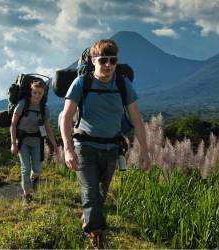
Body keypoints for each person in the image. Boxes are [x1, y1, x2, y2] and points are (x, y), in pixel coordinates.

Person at [60, 39, 151, 248]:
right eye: (103, 60)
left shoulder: (122, 84)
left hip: (111, 148)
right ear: (94, 61)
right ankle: (97, 236)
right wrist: (68, 149)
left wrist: (145, 151)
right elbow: (66, 117)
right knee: (91, 192)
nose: (108, 65)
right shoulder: (82, 83)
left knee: (100, 194)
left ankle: (89, 220)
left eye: (113, 60)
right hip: (85, 147)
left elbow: (136, 118)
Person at [10, 80, 58, 203]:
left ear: (43, 94)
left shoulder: (43, 108)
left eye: (40, 93)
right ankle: (27, 194)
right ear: (31, 92)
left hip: (37, 141)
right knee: (25, 168)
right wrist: (13, 144)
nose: (37, 95)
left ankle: (33, 178)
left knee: (37, 169)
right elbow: (13, 125)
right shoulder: (22, 104)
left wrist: (54, 143)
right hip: (22, 141)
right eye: (35, 92)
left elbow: (47, 128)